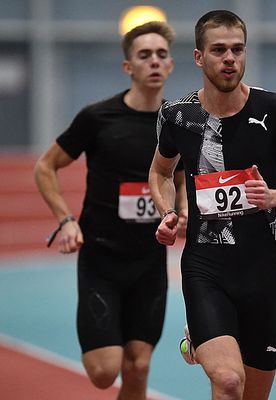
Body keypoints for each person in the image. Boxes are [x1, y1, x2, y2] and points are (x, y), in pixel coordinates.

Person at [149, 10, 276, 400]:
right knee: (228, 381)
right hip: (205, 267)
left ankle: (201, 342)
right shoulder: (178, 115)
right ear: (198, 57)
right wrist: (168, 211)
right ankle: (205, 334)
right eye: (219, 50)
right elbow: (160, 172)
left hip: (262, 271)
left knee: (252, 393)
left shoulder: (275, 110)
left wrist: (275, 198)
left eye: (237, 49)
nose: (230, 58)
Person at [34, 21, 182, 399]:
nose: (153, 61)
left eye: (161, 55)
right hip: (102, 261)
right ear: (127, 66)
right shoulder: (98, 117)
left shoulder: (179, 123)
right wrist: (66, 220)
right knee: (104, 372)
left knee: (139, 366)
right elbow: (45, 167)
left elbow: (181, 180)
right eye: (144, 55)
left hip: (149, 262)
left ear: (171, 65)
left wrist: (181, 213)